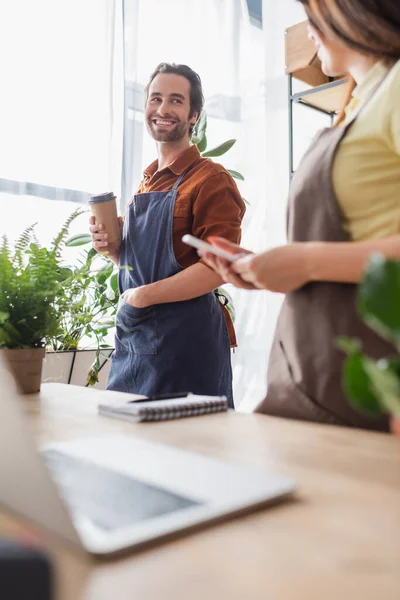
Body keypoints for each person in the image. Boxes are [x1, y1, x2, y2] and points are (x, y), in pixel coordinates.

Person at [201, 0, 400, 430]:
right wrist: (266, 268)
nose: (307, 31)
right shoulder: (356, 104)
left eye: (310, 12)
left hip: (370, 382)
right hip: (309, 369)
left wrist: (306, 261)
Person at [90, 63, 245, 407]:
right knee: (130, 446)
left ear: (193, 116)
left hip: (186, 342)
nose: (162, 109)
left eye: (176, 101)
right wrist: (115, 252)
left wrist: (143, 297)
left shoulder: (211, 179)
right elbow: (147, 263)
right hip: (136, 339)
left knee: (187, 450)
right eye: (155, 99)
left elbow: (219, 267)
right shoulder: (145, 181)